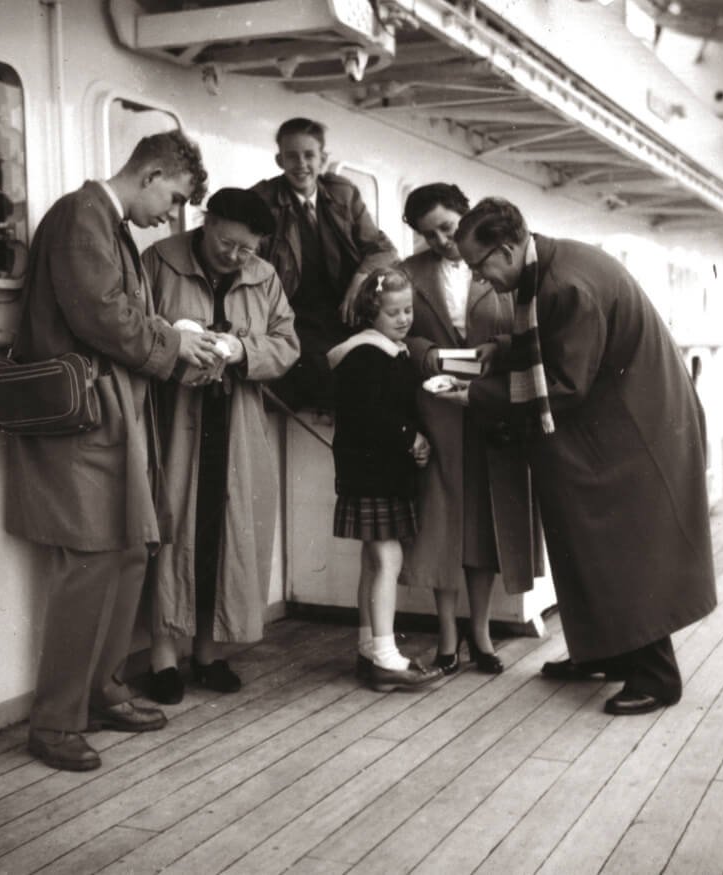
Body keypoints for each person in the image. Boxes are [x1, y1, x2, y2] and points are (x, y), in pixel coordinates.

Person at [439, 196, 717, 715]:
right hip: (620, 421)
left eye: (480, 265)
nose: (480, 279)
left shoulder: (566, 285)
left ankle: (658, 678)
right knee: (587, 547)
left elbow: (566, 384)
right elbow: (558, 343)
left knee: (624, 552)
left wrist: (476, 395)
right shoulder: (550, 266)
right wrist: (504, 348)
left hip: (636, 432)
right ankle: (604, 652)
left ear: (505, 248)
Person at [6, 130, 219, 771]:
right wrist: (174, 345)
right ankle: (55, 721)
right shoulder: (81, 216)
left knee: (130, 551)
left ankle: (103, 689)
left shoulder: (111, 224)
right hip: (84, 421)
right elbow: (100, 314)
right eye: (175, 198)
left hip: (116, 413)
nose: (172, 216)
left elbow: (120, 313)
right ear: (151, 173)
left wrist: (168, 337)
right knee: (90, 563)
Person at [141, 188, 300, 704]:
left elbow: (286, 343)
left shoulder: (266, 277)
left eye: (246, 250)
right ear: (205, 223)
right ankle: (164, 658)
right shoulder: (159, 261)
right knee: (170, 529)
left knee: (223, 533)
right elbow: (137, 327)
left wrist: (240, 349)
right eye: (227, 243)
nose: (235, 256)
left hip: (236, 421)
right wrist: (175, 340)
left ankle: (208, 654)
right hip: (175, 419)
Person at [400, 183, 543, 675]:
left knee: (481, 523)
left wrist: (497, 349)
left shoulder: (498, 272)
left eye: (446, 227)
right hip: (437, 408)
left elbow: (522, 330)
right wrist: (427, 354)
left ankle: (480, 633)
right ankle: (446, 636)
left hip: (490, 405)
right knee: (441, 524)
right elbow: (399, 335)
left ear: (465, 216)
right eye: (429, 234)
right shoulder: (408, 273)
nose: (440, 240)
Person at [327, 267, 442, 692]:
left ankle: (368, 648)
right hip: (372, 476)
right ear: (370, 312)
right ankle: (386, 656)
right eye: (393, 312)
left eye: (408, 309)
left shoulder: (391, 351)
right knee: (387, 560)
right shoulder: (365, 355)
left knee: (374, 561)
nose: (404, 318)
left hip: (378, 475)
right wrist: (410, 438)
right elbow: (369, 414)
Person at [252, 117, 397, 411]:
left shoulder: (344, 194)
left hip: (344, 313)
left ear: (324, 159)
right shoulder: (262, 200)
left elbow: (383, 249)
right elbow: (249, 262)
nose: (301, 164)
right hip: (292, 316)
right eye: (291, 156)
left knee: (382, 364)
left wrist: (359, 282)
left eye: (309, 155)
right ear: (279, 160)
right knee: (323, 372)